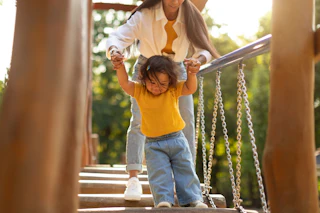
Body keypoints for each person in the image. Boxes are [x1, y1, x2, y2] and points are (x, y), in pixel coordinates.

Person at [106, 0, 219, 201]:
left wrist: (197, 61)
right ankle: (133, 179)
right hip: (148, 69)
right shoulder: (145, 15)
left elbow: (204, 49)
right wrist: (115, 51)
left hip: (177, 70)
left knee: (186, 122)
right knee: (139, 121)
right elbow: (118, 37)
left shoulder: (190, 16)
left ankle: (186, 183)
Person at [112, 54, 208, 208]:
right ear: (143, 78)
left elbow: (190, 88)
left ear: (170, 80)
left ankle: (193, 199)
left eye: (163, 83)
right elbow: (124, 83)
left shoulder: (172, 90)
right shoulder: (140, 91)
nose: (157, 87)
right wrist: (120, 67)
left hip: (177, 139)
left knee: (185, 169)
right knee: (158, 173)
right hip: (154, 144)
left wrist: (191, 73)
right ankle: (163, 200)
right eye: (153, 82)